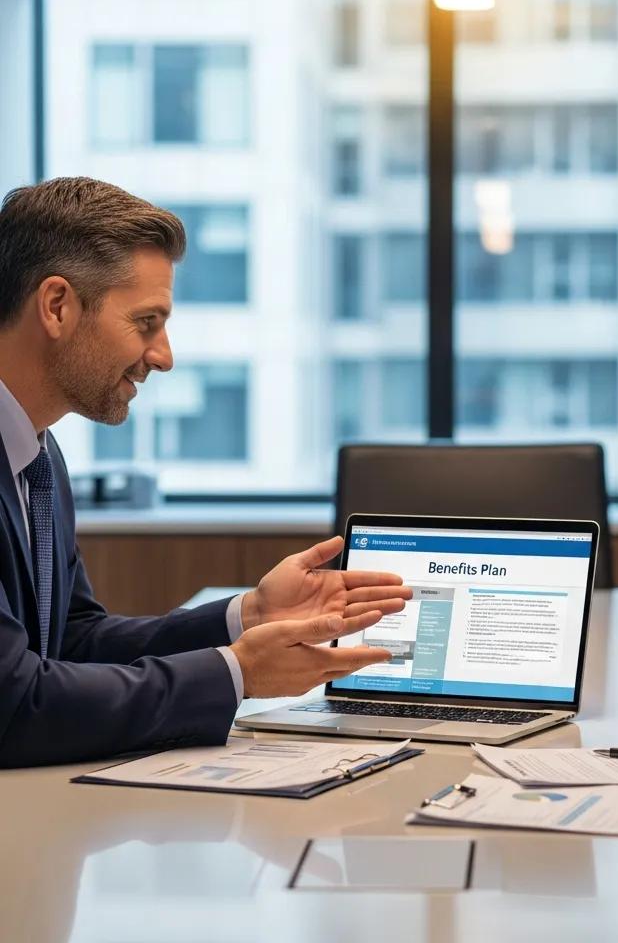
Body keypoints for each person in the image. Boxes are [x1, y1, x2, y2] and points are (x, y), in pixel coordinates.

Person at [0, 177, 412, 767]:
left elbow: (71, 642)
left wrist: (249, 617)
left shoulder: (38, 457)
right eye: (146, 321)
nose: (163, 356)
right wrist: (239, 672)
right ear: (57, 306)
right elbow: (15, 701)